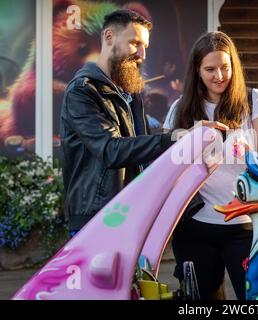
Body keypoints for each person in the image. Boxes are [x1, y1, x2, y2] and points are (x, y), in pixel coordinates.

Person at [60, 10, 227, 235]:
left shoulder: (130, 93)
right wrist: (178, 138)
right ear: (109, 37)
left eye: (145, 46)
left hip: (131, 212)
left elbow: (141, 142)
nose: (142, 54)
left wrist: (187, 134)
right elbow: (111, 150)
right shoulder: (82, 91)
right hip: (95, 219)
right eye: (135, 43)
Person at [163, 31, 258, 300]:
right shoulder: (180, 109)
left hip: (245, 226)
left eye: (225, 67)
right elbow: (166, 168)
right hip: (194, 227)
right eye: (210, 69)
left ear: (234, 66)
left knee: (257, 300)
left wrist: (254, 156)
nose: (219, 75)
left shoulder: (254, 102)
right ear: (196, 70)